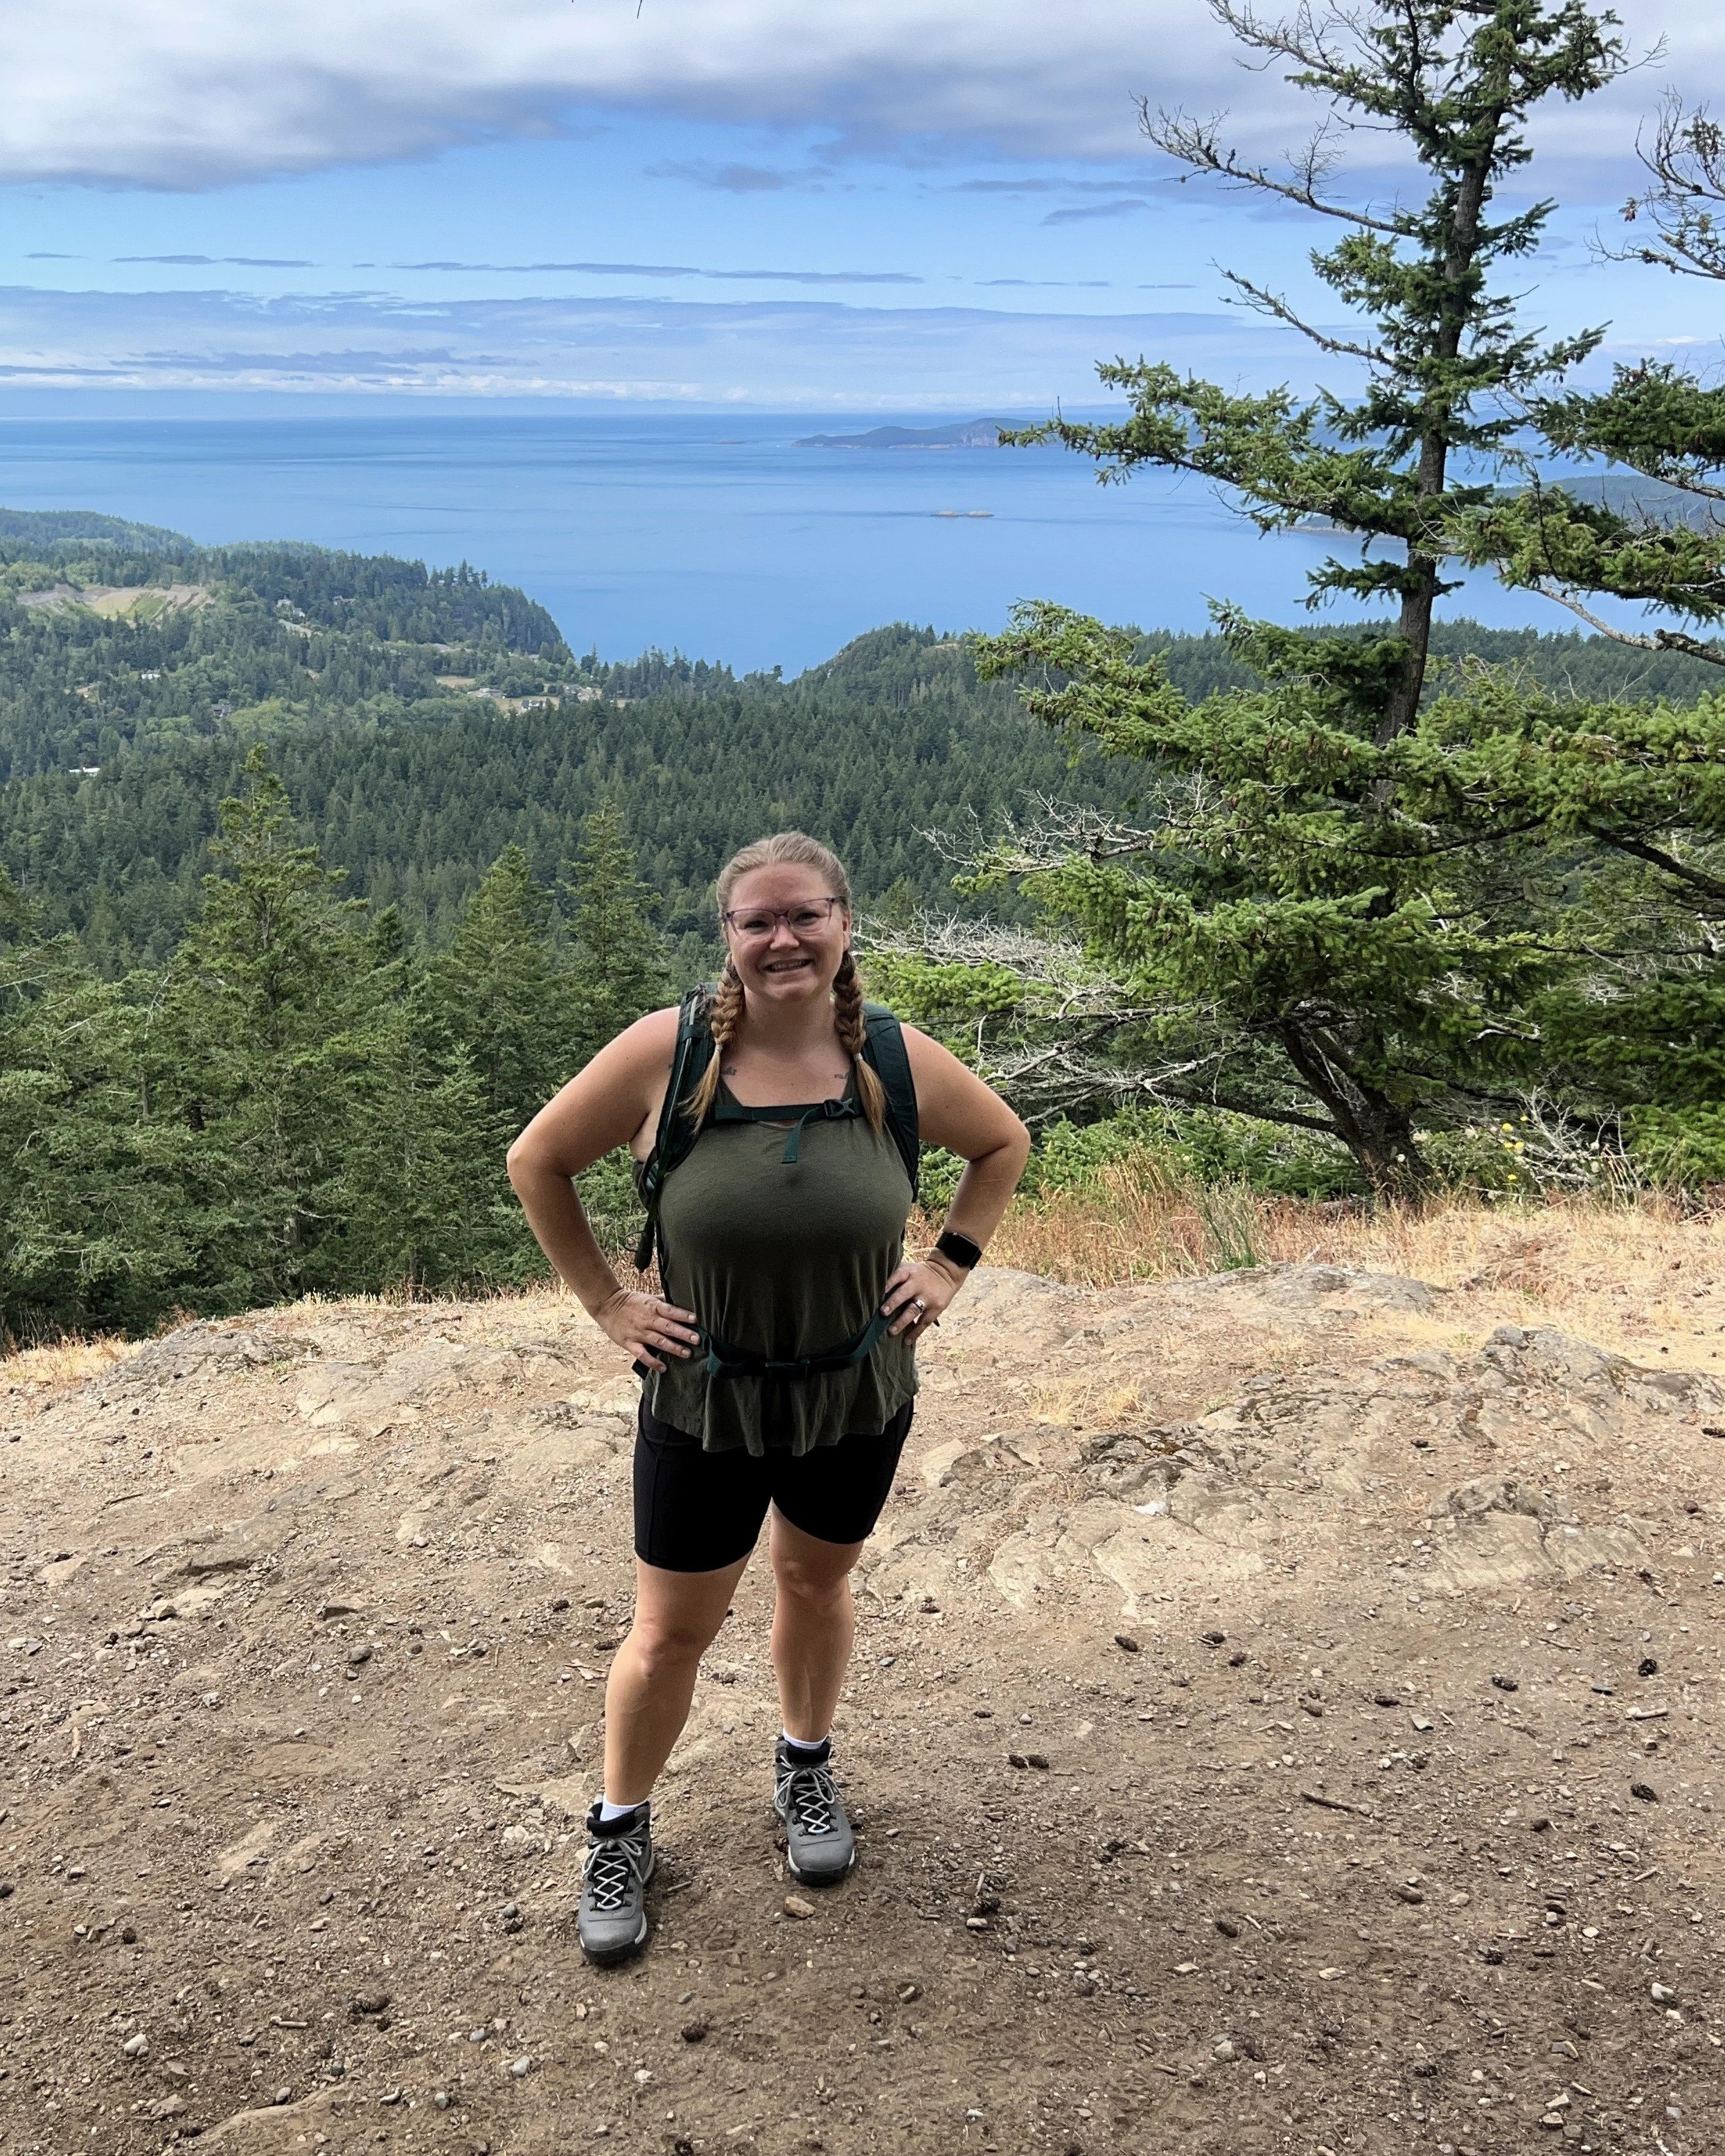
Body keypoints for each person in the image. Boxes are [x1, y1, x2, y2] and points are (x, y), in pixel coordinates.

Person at [507, 830, 1029, 1966]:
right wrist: (605, 1302)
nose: (783, 937)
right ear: (728, 938)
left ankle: (803, 1765)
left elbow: (1001, 1143)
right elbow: (535, 1161)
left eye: (806, 915)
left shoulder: (890, 1057)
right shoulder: (668, 1052)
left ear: (845, 926)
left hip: (855, 1393)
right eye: (758, 921)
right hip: (707, 1403)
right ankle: (620, 1827)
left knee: (814, 1580)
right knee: (668, 1633)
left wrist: (947, 1265)